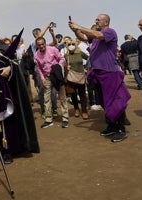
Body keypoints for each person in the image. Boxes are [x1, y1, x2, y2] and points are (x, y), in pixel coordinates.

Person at [0, 24, 40, 164]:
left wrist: (10, 68)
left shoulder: (4, 48)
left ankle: (6, 151)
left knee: (6, 122)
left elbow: (16, 66)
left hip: (3, 91)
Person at [69, 13, 131, 143]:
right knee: (104, 102)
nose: (96, 21)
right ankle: (112, 126)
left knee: (114, 102)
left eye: (98, 20)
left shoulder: (109, 32)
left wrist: (79, 26)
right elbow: (84, 37)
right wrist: (75, 30)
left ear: (106, 22)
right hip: (99, 73)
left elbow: (97, 34)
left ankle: (121, 129)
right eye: (96, 19)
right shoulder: (96, 37)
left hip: (109, 72)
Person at [34, 36, 69, 128]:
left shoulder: (53, 49)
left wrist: (58, 66)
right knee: (46, 98)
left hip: (57, 76)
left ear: (45, 43)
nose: (41, 46)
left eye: (43, 44)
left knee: (62, 97)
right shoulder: (36, 55)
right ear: (37, 45)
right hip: (47, 77)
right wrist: (42, 78)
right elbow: (39, 68)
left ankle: (65, 118)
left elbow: (62, 59)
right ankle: (48, 119)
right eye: (39, 45)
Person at [64, 38, 89, 120]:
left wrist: (86, 68)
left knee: (82, 94)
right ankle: (76, 109)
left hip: (81, 76)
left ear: (76, 45)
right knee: (73, 95)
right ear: (67, 46)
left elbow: (89, 59)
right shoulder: (66, 55)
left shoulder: (80, 53)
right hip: (71, 77)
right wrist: (66, 67)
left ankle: (84, 111)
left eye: (73, 44)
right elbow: (63, 65)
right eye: (69, 44)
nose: (71, 46)